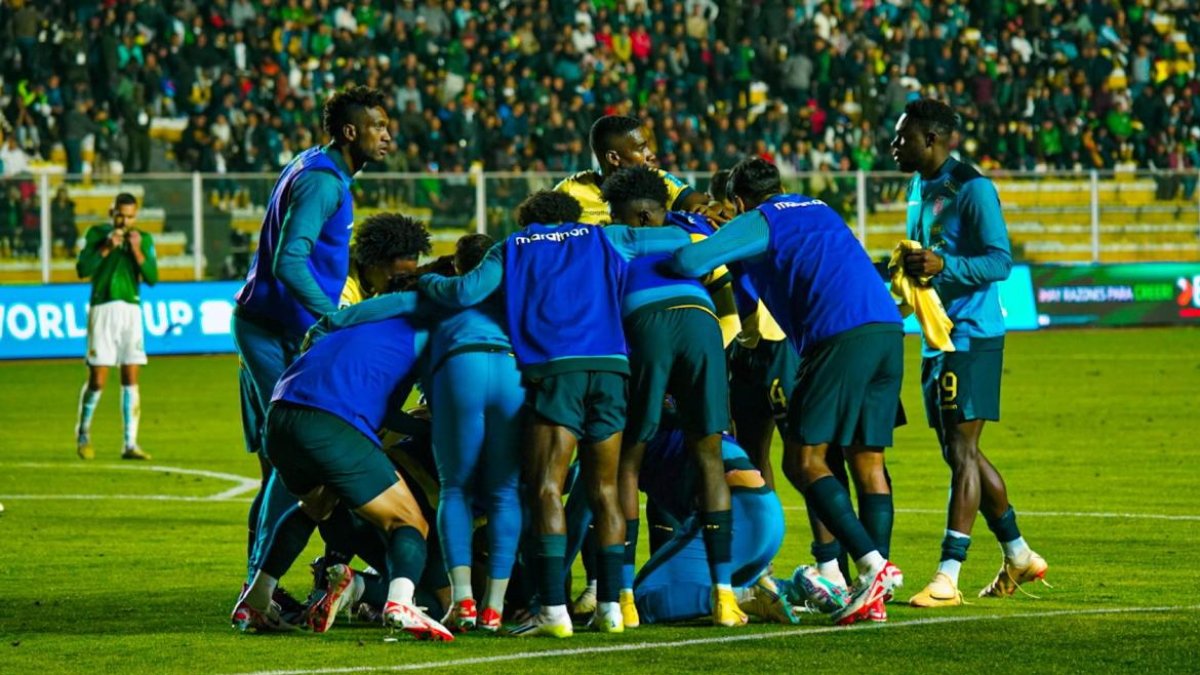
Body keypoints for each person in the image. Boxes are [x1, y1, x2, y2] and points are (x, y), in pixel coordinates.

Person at [416, 190, 692, 637]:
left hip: (556, 368)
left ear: (528, 220)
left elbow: (465, 291)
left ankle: (553, 610)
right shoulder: (607, 237)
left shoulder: (513, 246)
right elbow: (674, 239)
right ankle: (609, 608)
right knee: (605, 488)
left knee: (547, 486)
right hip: (611, 368)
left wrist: (426, 282)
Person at [669, 157, 904, 626]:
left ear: (738, 200)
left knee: (802, 460)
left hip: (838, 337)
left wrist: (719, 234)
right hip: (887, 331)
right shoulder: (820, 207)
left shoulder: (762, 218)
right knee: (867, 459)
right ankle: (874, 594)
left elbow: (688, 261)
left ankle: (874, 567)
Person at [230, 85, 391, 615]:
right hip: (273, 330)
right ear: (350, 132)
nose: (387, 134)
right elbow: (289, 261)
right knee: (289, 456)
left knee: (279, 459)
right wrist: (337, 319)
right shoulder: (324, 184)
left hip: (266, 325)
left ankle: (266, 583)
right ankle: (261, 587)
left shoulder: (313, 166)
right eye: (377, 126)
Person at [890, 99, 1048, 607]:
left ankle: (947, 575)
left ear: (932, 139)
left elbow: (1000, 260)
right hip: (937, 334)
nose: (895, 145)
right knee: (959, 452)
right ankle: (1019, 555)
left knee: (962, 451)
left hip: (973, 334)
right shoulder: (918, 185)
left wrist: (943, 264)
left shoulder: (973, 188)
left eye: (903, 137)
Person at [239, 293, 453, 641]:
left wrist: (418, 426)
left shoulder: (373, 325)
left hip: (281, 414)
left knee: (317, 505)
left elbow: (384, 409)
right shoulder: (437, 324)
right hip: (332, 419)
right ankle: (400, 602)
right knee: (407, 520)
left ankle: (256, 598)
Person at [601, 166, 743, 628]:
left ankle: (623, 599)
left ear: (635, 215)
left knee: (628, 461)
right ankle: (724, 596)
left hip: (645, 321)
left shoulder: (609, 238)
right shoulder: (689, 229)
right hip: (701, 320)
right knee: (709, 453)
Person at [74, 193, 158, 461]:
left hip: (131, 310)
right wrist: (106, 248)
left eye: (130, 215)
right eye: (121, 214)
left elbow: (153, 278)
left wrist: (135, 250)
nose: (125, 220)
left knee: (130, 378)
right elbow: (82, 268)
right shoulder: (97, 234)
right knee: (98, 379)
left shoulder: (142, 239)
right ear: (112, 212)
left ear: (136, 215)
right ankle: (83, 431)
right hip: (103, 308)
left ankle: (130, 443)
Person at [554, 115, 721, 225]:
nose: (651, 155)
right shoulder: (570, 191)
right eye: (641, 149)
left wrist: (711, 206)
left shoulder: (658, 179)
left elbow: (700, 202)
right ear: (613, 158)